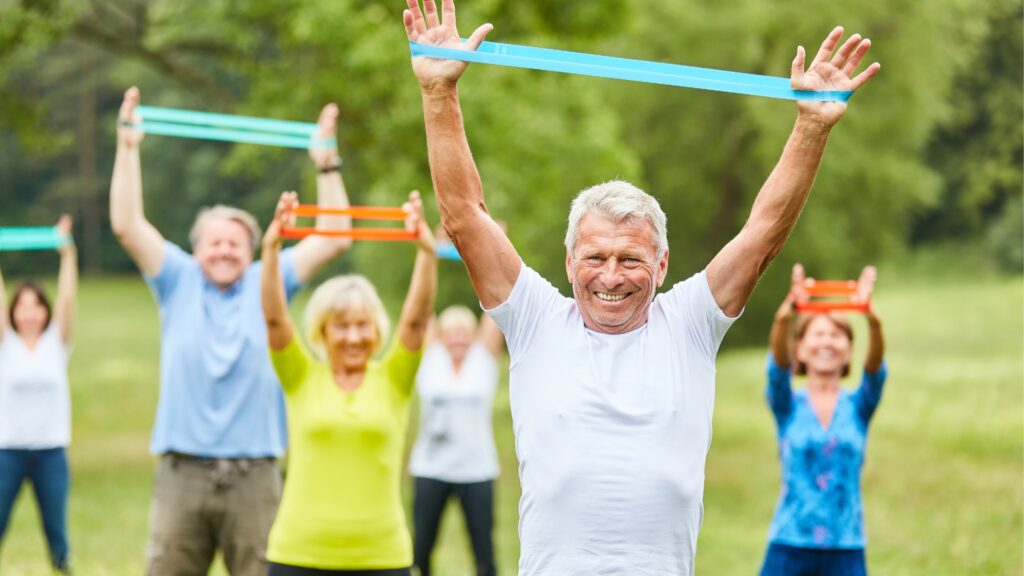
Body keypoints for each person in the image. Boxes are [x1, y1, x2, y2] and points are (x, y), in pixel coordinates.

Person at [402, 0, 881, 573]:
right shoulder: (534, 318)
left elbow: (764, 234)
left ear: (661, 265)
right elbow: (463, 215)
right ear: (568, 260)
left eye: (630, 259)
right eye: (595, 257)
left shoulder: (690, 323)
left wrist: (810, 128)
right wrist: (438, 94)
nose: (610, 276)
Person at [110, 87, 353, 575]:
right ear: (196, 250)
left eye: (235, 243)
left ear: (253, 249)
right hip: (182, 473)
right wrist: (128, 147)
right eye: (214, 243)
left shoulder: (271, 279)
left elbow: (335, 236)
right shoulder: (176, 279)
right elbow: (127, 225)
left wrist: (326, 164)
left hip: (254, 476)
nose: (224, 251)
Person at [260, 190, 436, 575]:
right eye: (341, 326)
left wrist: (426, 252)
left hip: (382, 557)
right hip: (297, 554)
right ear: (322, 330)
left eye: (362, 325)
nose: (353, 337)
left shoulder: (394, 378)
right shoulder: (300, 374)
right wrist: (271, 249)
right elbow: (275, 320)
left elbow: (416, 321)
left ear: (376, 329)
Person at [760, 264, 886, 576]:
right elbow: (776, 368)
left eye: (837, 335)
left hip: (846, 546)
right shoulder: (787, 404)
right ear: (799, 349)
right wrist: (787, 314)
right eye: (818, 334)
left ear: (848, 351)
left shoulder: (859, 405)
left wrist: (871, 318)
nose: (827, 342)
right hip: (789, 544)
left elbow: (875, 369)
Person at [0, 215, 77, 573]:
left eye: (36, 306)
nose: (29, 314)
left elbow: (67, 299)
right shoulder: (6, 345)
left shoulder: (56, 343)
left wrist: (67, 253)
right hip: (8, 451)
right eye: (22, 306)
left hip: (50, 452)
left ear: (45, 311)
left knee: (56, 532)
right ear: (13, 311)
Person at [409, 304, 505, 576]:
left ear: (474, 336)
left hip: (476, 470)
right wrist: (428, 259)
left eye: (464, 333)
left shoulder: (483, 358)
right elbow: (422, 307)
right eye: (451, 333)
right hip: (430, 469)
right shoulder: (430, 356)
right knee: (422, 548)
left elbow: (496, 298)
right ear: (440, 336)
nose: (458, 339)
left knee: (483, 550)